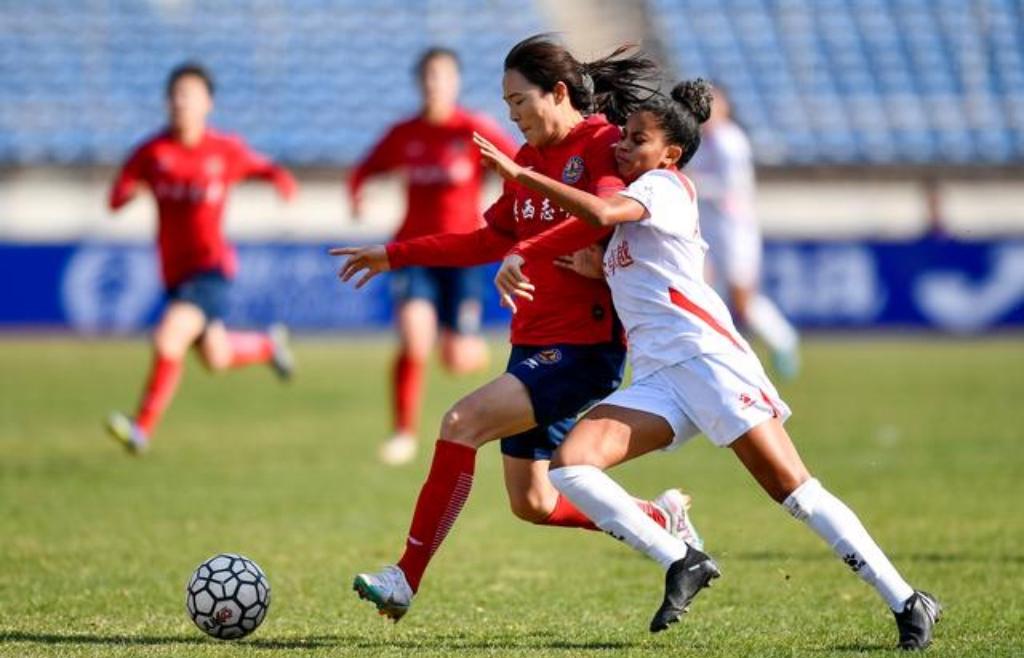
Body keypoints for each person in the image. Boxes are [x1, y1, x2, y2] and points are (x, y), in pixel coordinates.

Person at [477, 79, 941, 650]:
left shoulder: (666, 187)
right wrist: (590, 269)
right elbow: (641, 266)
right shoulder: (635, 208)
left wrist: (522, 175)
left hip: (708, 362)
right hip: (660, 377)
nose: (622, 145)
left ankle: (906, 598)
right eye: (622, 135)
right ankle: (682, 558)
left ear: (670, 153)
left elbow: (599, 209)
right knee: (572, 466)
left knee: (795, 493)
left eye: (637, 139)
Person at [331, 35, 701, 622]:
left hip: (583, 345)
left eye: (519, 101)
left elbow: (602, 214)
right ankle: (658, 520)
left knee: (460, 422)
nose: (513, 116)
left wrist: (553, 253)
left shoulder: (603, 144)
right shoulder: (525, 162)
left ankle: (404, 577)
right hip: (533, 342)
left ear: (558, 92)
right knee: (533, 502)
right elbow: (487, 240)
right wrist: (395, 254)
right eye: (506, 106)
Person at [105, 62, 297, 454]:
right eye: (175, 95)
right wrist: (128, 194)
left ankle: (141, 428)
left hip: (211, 268)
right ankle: (266, 345)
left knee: (169, 336)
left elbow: (266, 168)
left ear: (208, 103)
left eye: (189, 95)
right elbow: (116, 196)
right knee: (216, 356)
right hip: (174, 273)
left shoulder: (224, 150)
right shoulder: (151, 152)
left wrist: (282, 182)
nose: (181, 103)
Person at [348, 47, 519, 465]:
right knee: (414, 338)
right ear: (419, 83)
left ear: (455, 83)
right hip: (412, 252)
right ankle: (403, 433)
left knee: (459, 358)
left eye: (442, 76)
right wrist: (357, 196)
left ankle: (466, 344)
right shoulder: (404, 133)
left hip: (463, 255)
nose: (434, 84)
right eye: (428, 77)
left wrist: (511, 216)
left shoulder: (473, 130)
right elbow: (364, 169)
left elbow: (520, 168)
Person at [686, 86, 800, 378]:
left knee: (742, 298)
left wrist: (693, 184)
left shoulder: (730, 141)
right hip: (709, 229)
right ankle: (716, 356)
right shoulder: (700, 142)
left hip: (736, 230)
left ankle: (783, 340)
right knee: (705, 292)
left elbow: (732, 187)